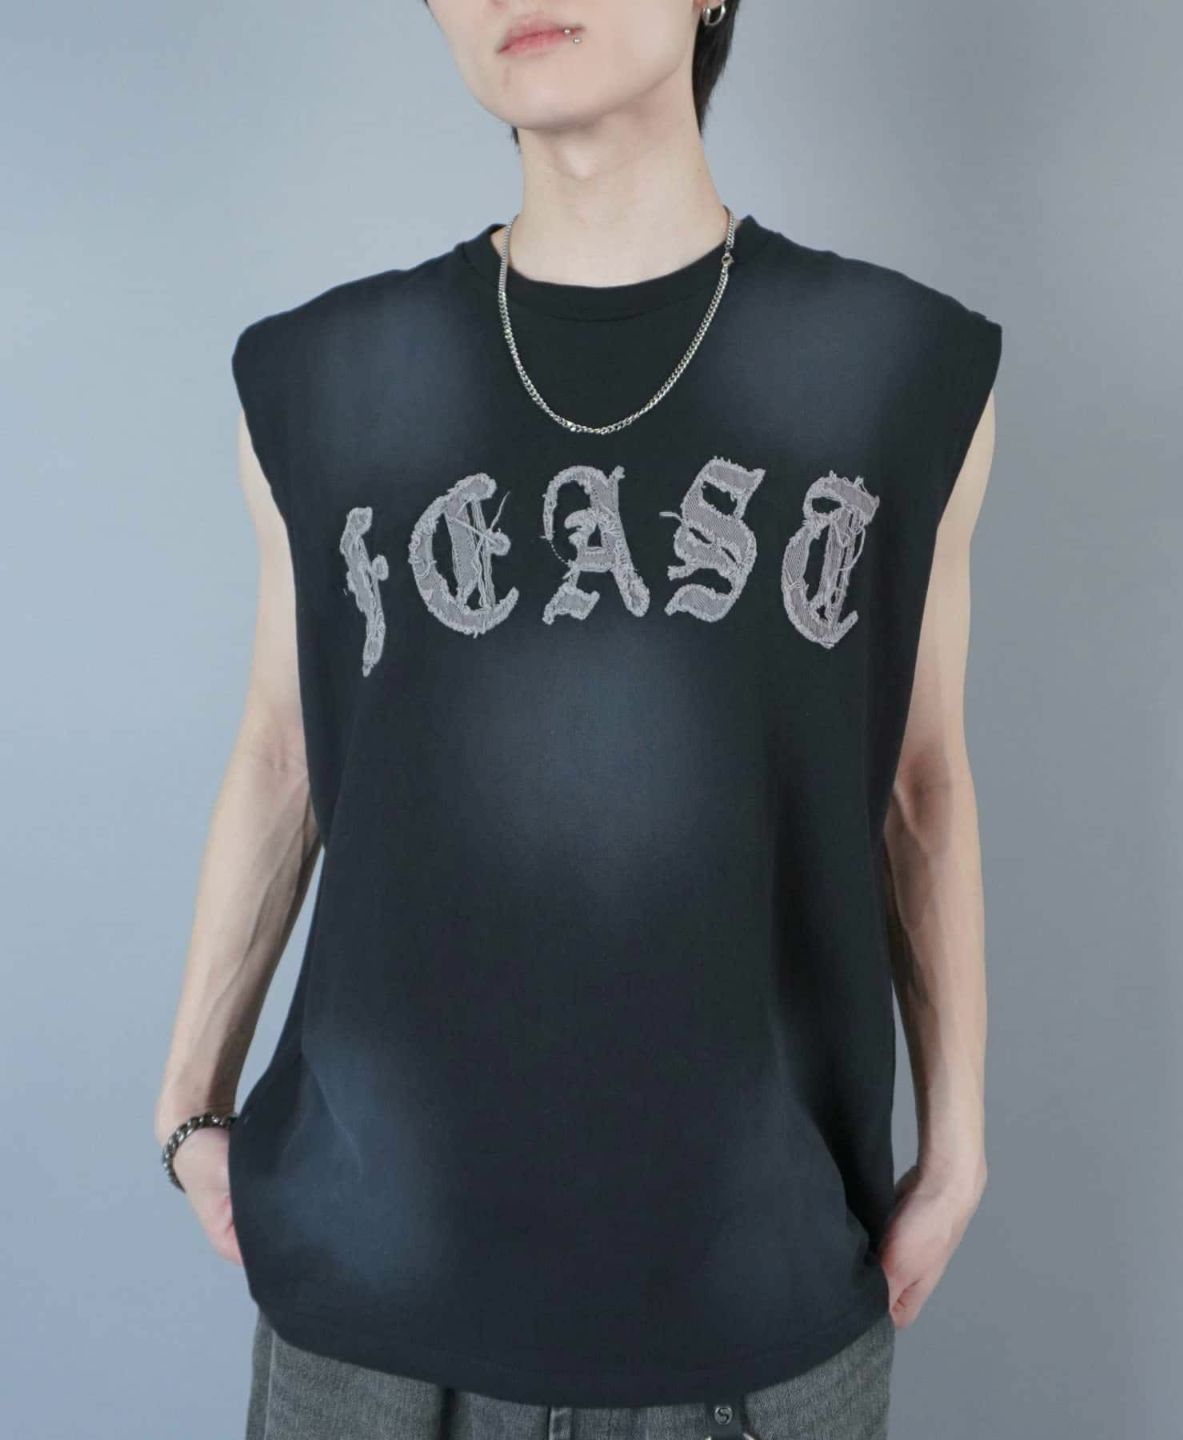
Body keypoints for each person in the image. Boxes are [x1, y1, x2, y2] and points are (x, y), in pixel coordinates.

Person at [154, 2, 1001, 1436]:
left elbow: (920, 786)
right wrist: (189, 1099)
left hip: (751, 1313)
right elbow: (284, 753)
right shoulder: (324, 376)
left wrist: (960, 1142)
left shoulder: (894, 369)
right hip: (366, 1307)